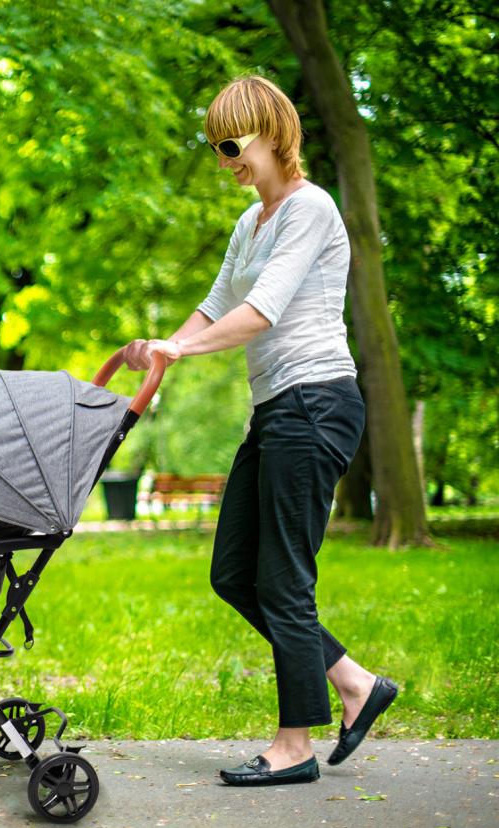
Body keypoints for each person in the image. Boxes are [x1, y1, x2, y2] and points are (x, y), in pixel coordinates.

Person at [124, 75, 397, 787]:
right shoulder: (251, 223)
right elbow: (216, 306)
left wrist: (184, 350)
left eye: (230, 143)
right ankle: (355, 682)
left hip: (315, 403)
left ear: (271, 132)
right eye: (215, 147)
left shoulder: (310, 208)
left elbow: (264, 311)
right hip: (277, 408)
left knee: (283, 580)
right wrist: (163, 345)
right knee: (234, 571)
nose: (224, 160)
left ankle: (293, 743)